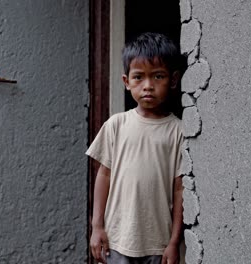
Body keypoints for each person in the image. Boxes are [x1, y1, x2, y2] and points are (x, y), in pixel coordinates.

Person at [86, 32, 185, 264]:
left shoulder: (179, 131)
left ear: (173, 80)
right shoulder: (116, 125)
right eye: (139, 77)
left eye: (158, 76)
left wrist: (173, 242)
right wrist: (97, 227)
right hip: (117, 239)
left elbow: (180, 190)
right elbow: (104, 175)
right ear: (126, 82)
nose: (148, 86)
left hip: (157, 244)